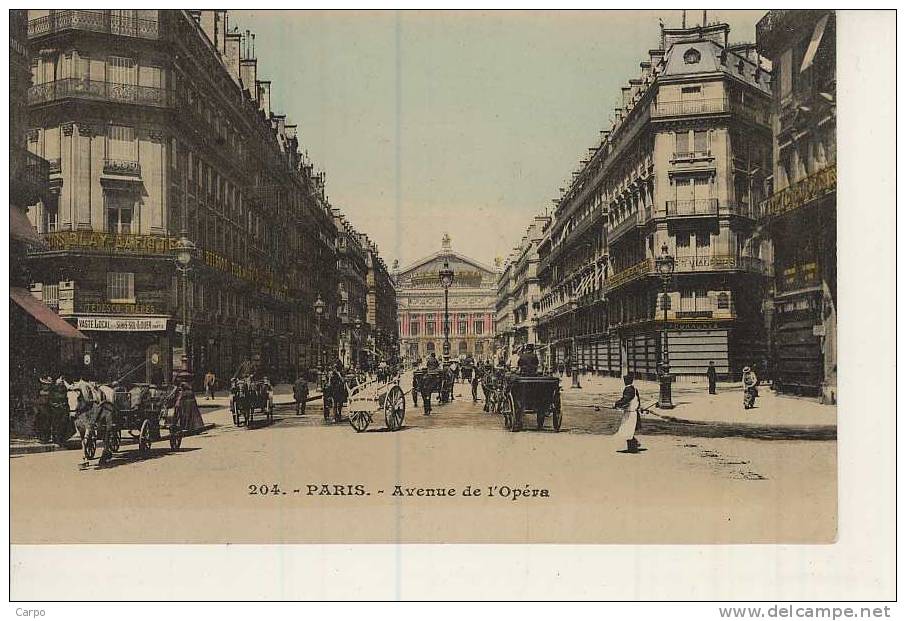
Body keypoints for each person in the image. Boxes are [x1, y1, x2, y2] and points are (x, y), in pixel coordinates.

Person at [614, 373, 643, 453]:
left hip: (630, 414)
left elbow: (625, 400)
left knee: (627, 430)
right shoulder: (634, 389)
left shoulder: (628, 389)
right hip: (633, 412)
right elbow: (637, 400)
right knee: (628, 430)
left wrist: (616, 404)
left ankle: (633, 447)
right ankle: (633, 446)